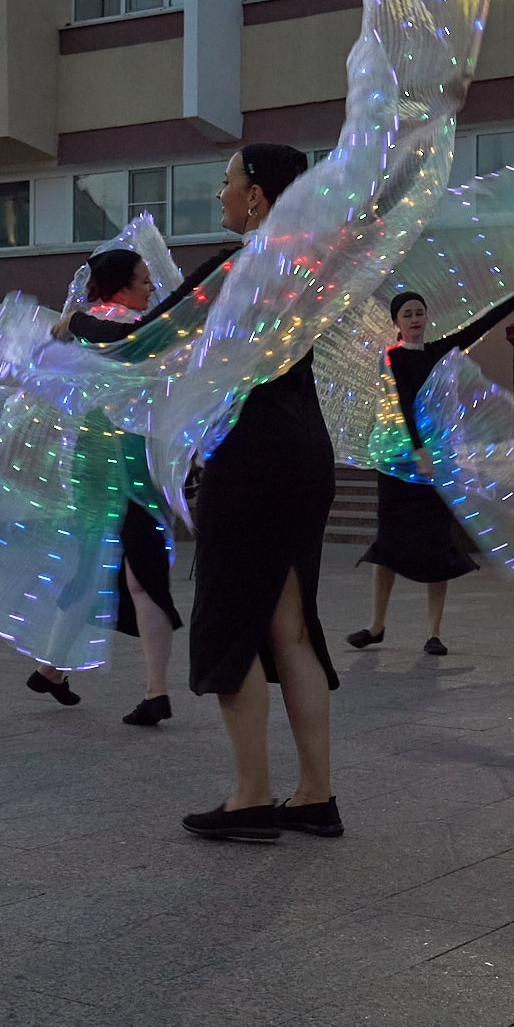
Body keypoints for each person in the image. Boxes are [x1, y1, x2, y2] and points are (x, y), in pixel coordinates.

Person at [173, 145, 340, 842]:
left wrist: (70, 329)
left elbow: (153, 332)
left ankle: (250, 797)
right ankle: (314, 794)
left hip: (251, 459)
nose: (220, 194)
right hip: (304, 451)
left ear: (257, 196)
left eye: (228, 182)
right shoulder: (304, 267)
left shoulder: (240, 267)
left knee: (228, 620)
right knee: (289, 624)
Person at [28, 248, 186, 725]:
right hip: (130, 464)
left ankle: (51, 669)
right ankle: (155, 690)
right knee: (144, 576)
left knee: (92, 567)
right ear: (121, 286)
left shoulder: (84, 328)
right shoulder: (126, 330)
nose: (151, 289)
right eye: (144, 281)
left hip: (93, 463)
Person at [349, 289, 514, 656]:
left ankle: (434, 633)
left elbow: (479, 326)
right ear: (396, 323)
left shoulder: (437, 352)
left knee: (437, 544)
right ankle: (376, 625)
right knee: (386, 545)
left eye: (419, 313)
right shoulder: (392, 358)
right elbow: (403, 403)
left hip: (434, 466)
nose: (415, 319)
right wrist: (418, 449)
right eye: (407, 314)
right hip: (398, 465)